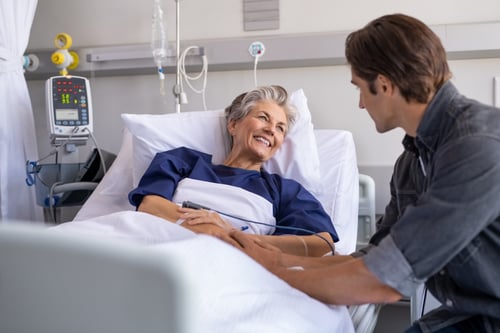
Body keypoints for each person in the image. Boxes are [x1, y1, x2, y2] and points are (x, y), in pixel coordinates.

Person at [227, 14, 500, 333]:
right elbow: (375, 256)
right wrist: (281, 259)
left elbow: (383, 281)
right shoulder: (412, 161)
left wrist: (272, 268)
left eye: (360, 88)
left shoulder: (477, 146)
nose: (359, 104)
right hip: (470, 314)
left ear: (383, 85)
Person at [128, 85, 339, 257]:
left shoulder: (284, 190)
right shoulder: (185, 161)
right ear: (233, 125)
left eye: (280, 128)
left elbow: (321, 243)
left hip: (228, 262)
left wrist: (233, 236)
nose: (271, 130)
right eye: (264, 118)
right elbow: (150, 205)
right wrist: (207, 228)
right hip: (158, 249)